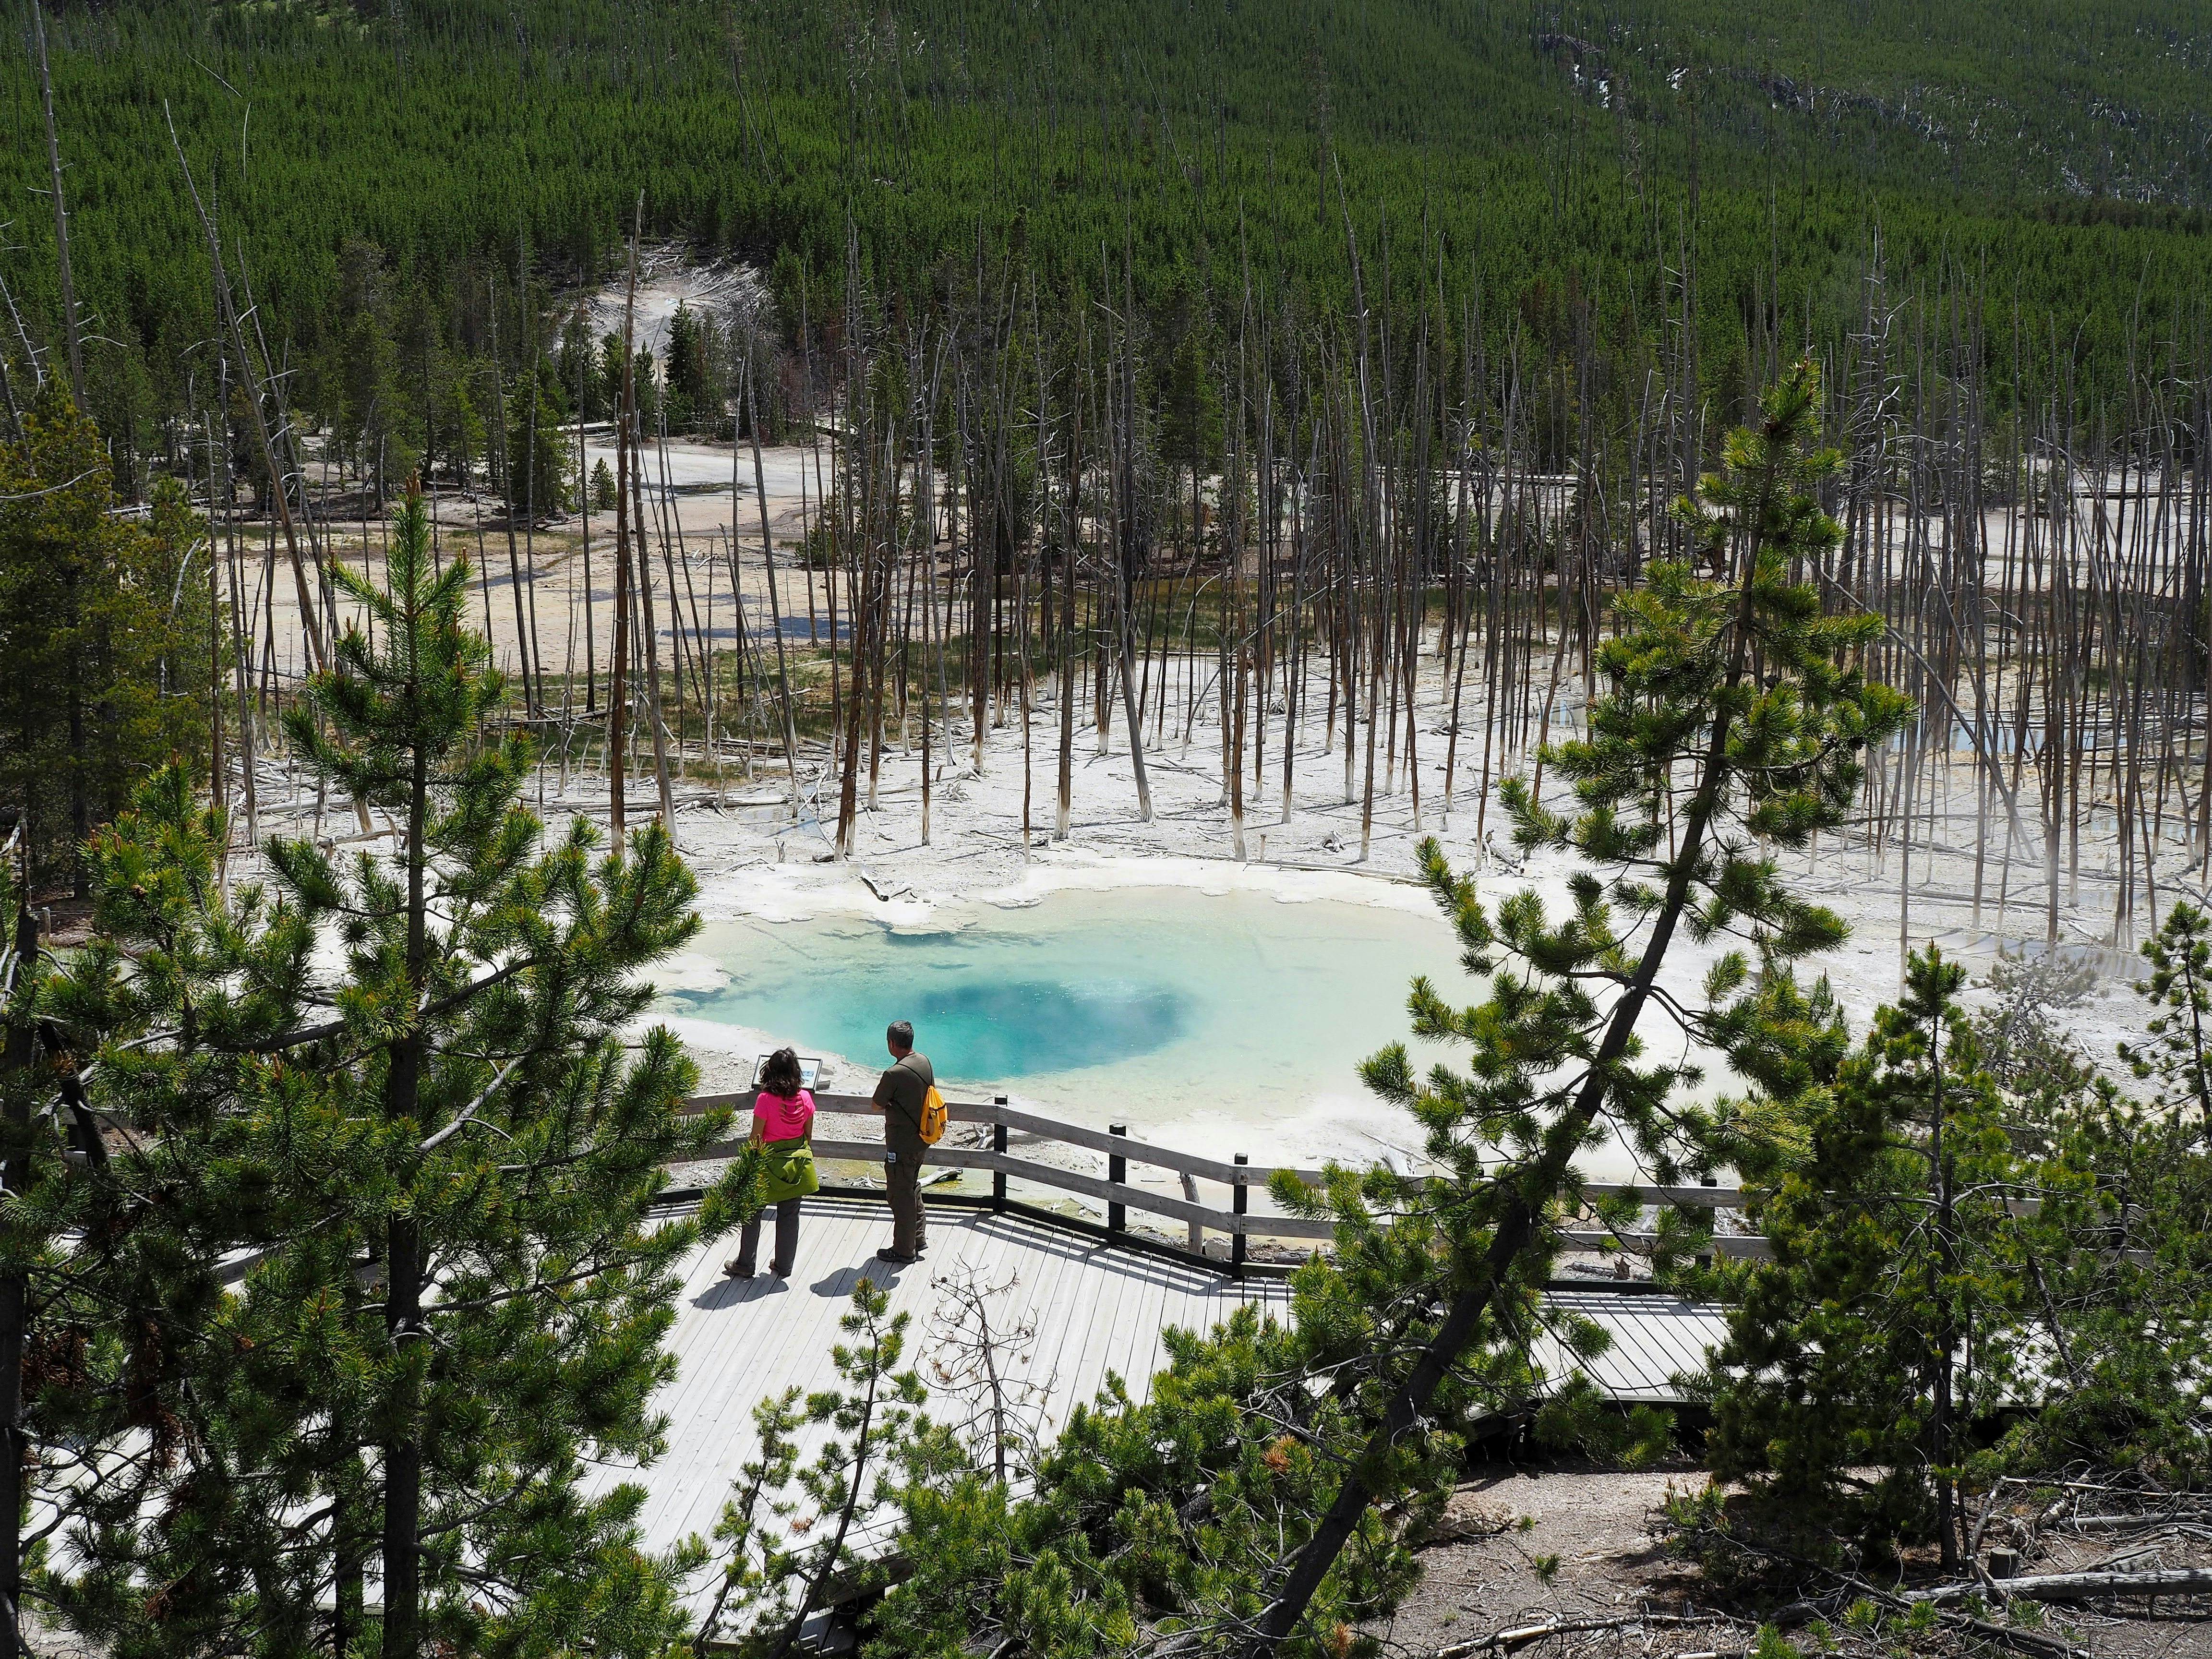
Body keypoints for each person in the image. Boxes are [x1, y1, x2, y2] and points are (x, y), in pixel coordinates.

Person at [726, 1047, 818, 1279]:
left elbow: (756, 1138)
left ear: (770, 1072)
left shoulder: (765, 1100)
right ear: (796, 1072)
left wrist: (748, 1165)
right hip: (795, 1165)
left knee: (753, 1213)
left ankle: (746, 1263)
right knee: (789, 1215)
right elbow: (808, 1136)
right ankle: (784, 1265)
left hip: (767, 1163)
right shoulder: (805, 1098)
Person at [871, 1020, 934, 1263]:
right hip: (921, 1139)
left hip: (901, 1144)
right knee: (911, 1186)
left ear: (892, 1044)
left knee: (900, 1194)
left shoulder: (893, 1073)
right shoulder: (924, 1061)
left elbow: (876, 1104)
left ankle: (904, 1249)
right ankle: (918, 1238)